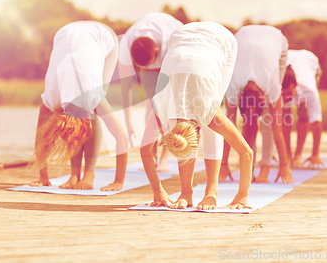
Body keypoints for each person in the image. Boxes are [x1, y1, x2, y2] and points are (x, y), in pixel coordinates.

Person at [140, 22, 253, 210]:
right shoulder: (160, 108)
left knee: (214, 122)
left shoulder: (209, 112)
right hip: (180, 36)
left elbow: (247, 152)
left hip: (220, 38)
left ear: (197, 133)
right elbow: (144, 151)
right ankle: (186, 192)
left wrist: (242, 196)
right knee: (190, 135)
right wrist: (157, 190)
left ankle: (212, 191)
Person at [29, 21, 128, 191]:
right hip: (65, 33)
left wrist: (118, 181)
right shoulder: (52, 98)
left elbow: (122, 138)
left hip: (103, 36)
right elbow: (40, 138)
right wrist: (43, 177)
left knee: (94, 113)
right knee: (76, 128)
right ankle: (74, 175)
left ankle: (89, 174)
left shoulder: (93, 96)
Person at [221, 25, 293, 184]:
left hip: (275, 38)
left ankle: (265, 169)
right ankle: (249, 169)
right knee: (251, 122)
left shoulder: (271, 84)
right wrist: (223, 164)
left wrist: (284, 165)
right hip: (242, 36)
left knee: (270, 119)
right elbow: (228, 127)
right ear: (240, 98)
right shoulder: (233, 84)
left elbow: (277, 127)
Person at [118, 12, 183, 172]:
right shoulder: (126, 45)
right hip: (153, 50)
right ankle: (151, 156)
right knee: (152, 103)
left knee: (167, 106)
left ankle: (164, 159)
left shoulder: (172, 40)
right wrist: (128, 122)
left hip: (174, 54)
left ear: (156, 50)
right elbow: (125, 88)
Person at [281, 49, 324, 168]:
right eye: (283, 93)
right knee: (284, 116)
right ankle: (288, 155)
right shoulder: (276, 86)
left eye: (289, 93)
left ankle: (298, 154)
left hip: (310, 63)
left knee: (304, 113)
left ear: (296, 86)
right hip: (288, 60)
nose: (286, 97)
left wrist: (315, 154)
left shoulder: (308, 90)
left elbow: (316, 120)